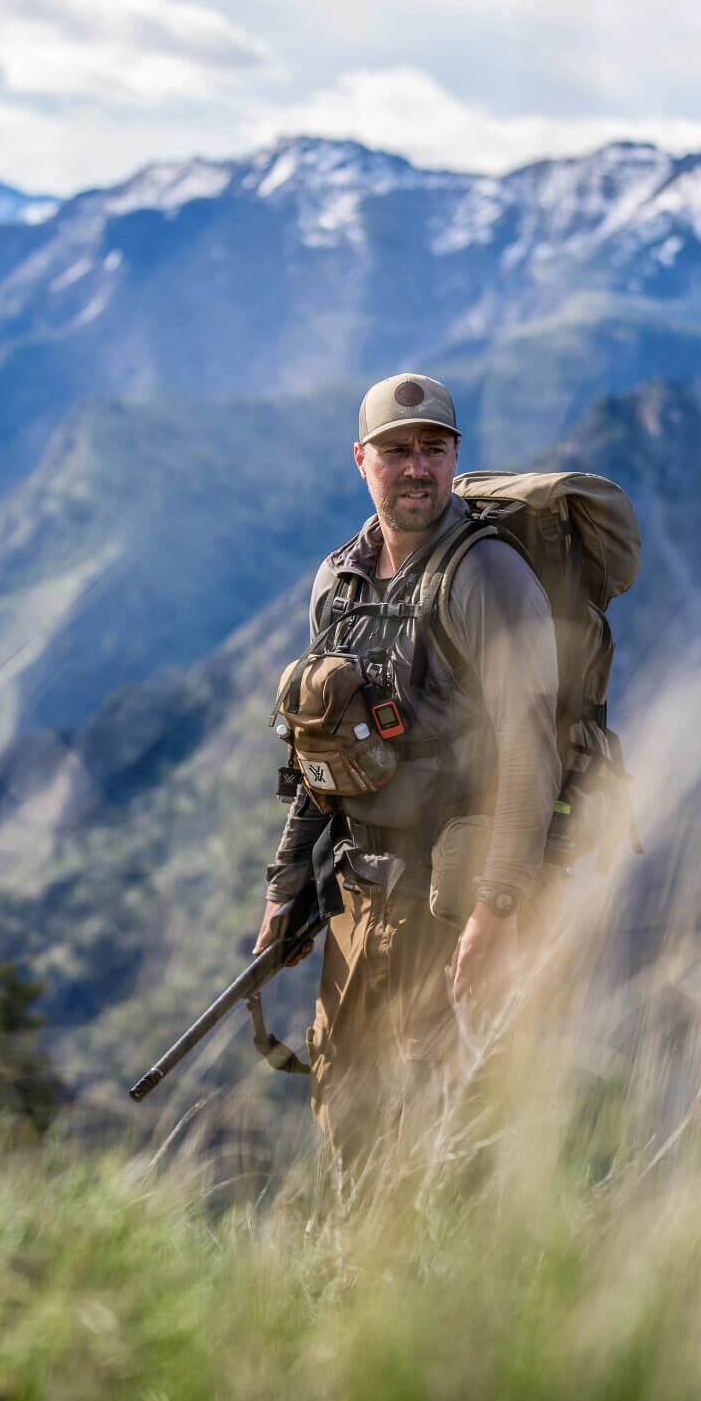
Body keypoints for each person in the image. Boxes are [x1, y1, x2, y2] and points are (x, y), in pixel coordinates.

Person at [254, 372, 560, 1173]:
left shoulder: (486, 577)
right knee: (346, 1113)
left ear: (456, 455)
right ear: (361, 460)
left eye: (434, 449)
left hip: (450, 899)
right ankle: (359, 1288)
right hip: (357, 894)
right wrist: (287, 885)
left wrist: (496, 911)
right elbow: (317, 751)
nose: (416, 467)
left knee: (442, 1130)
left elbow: (532, 753)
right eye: (396, 451)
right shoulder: (340, 582)